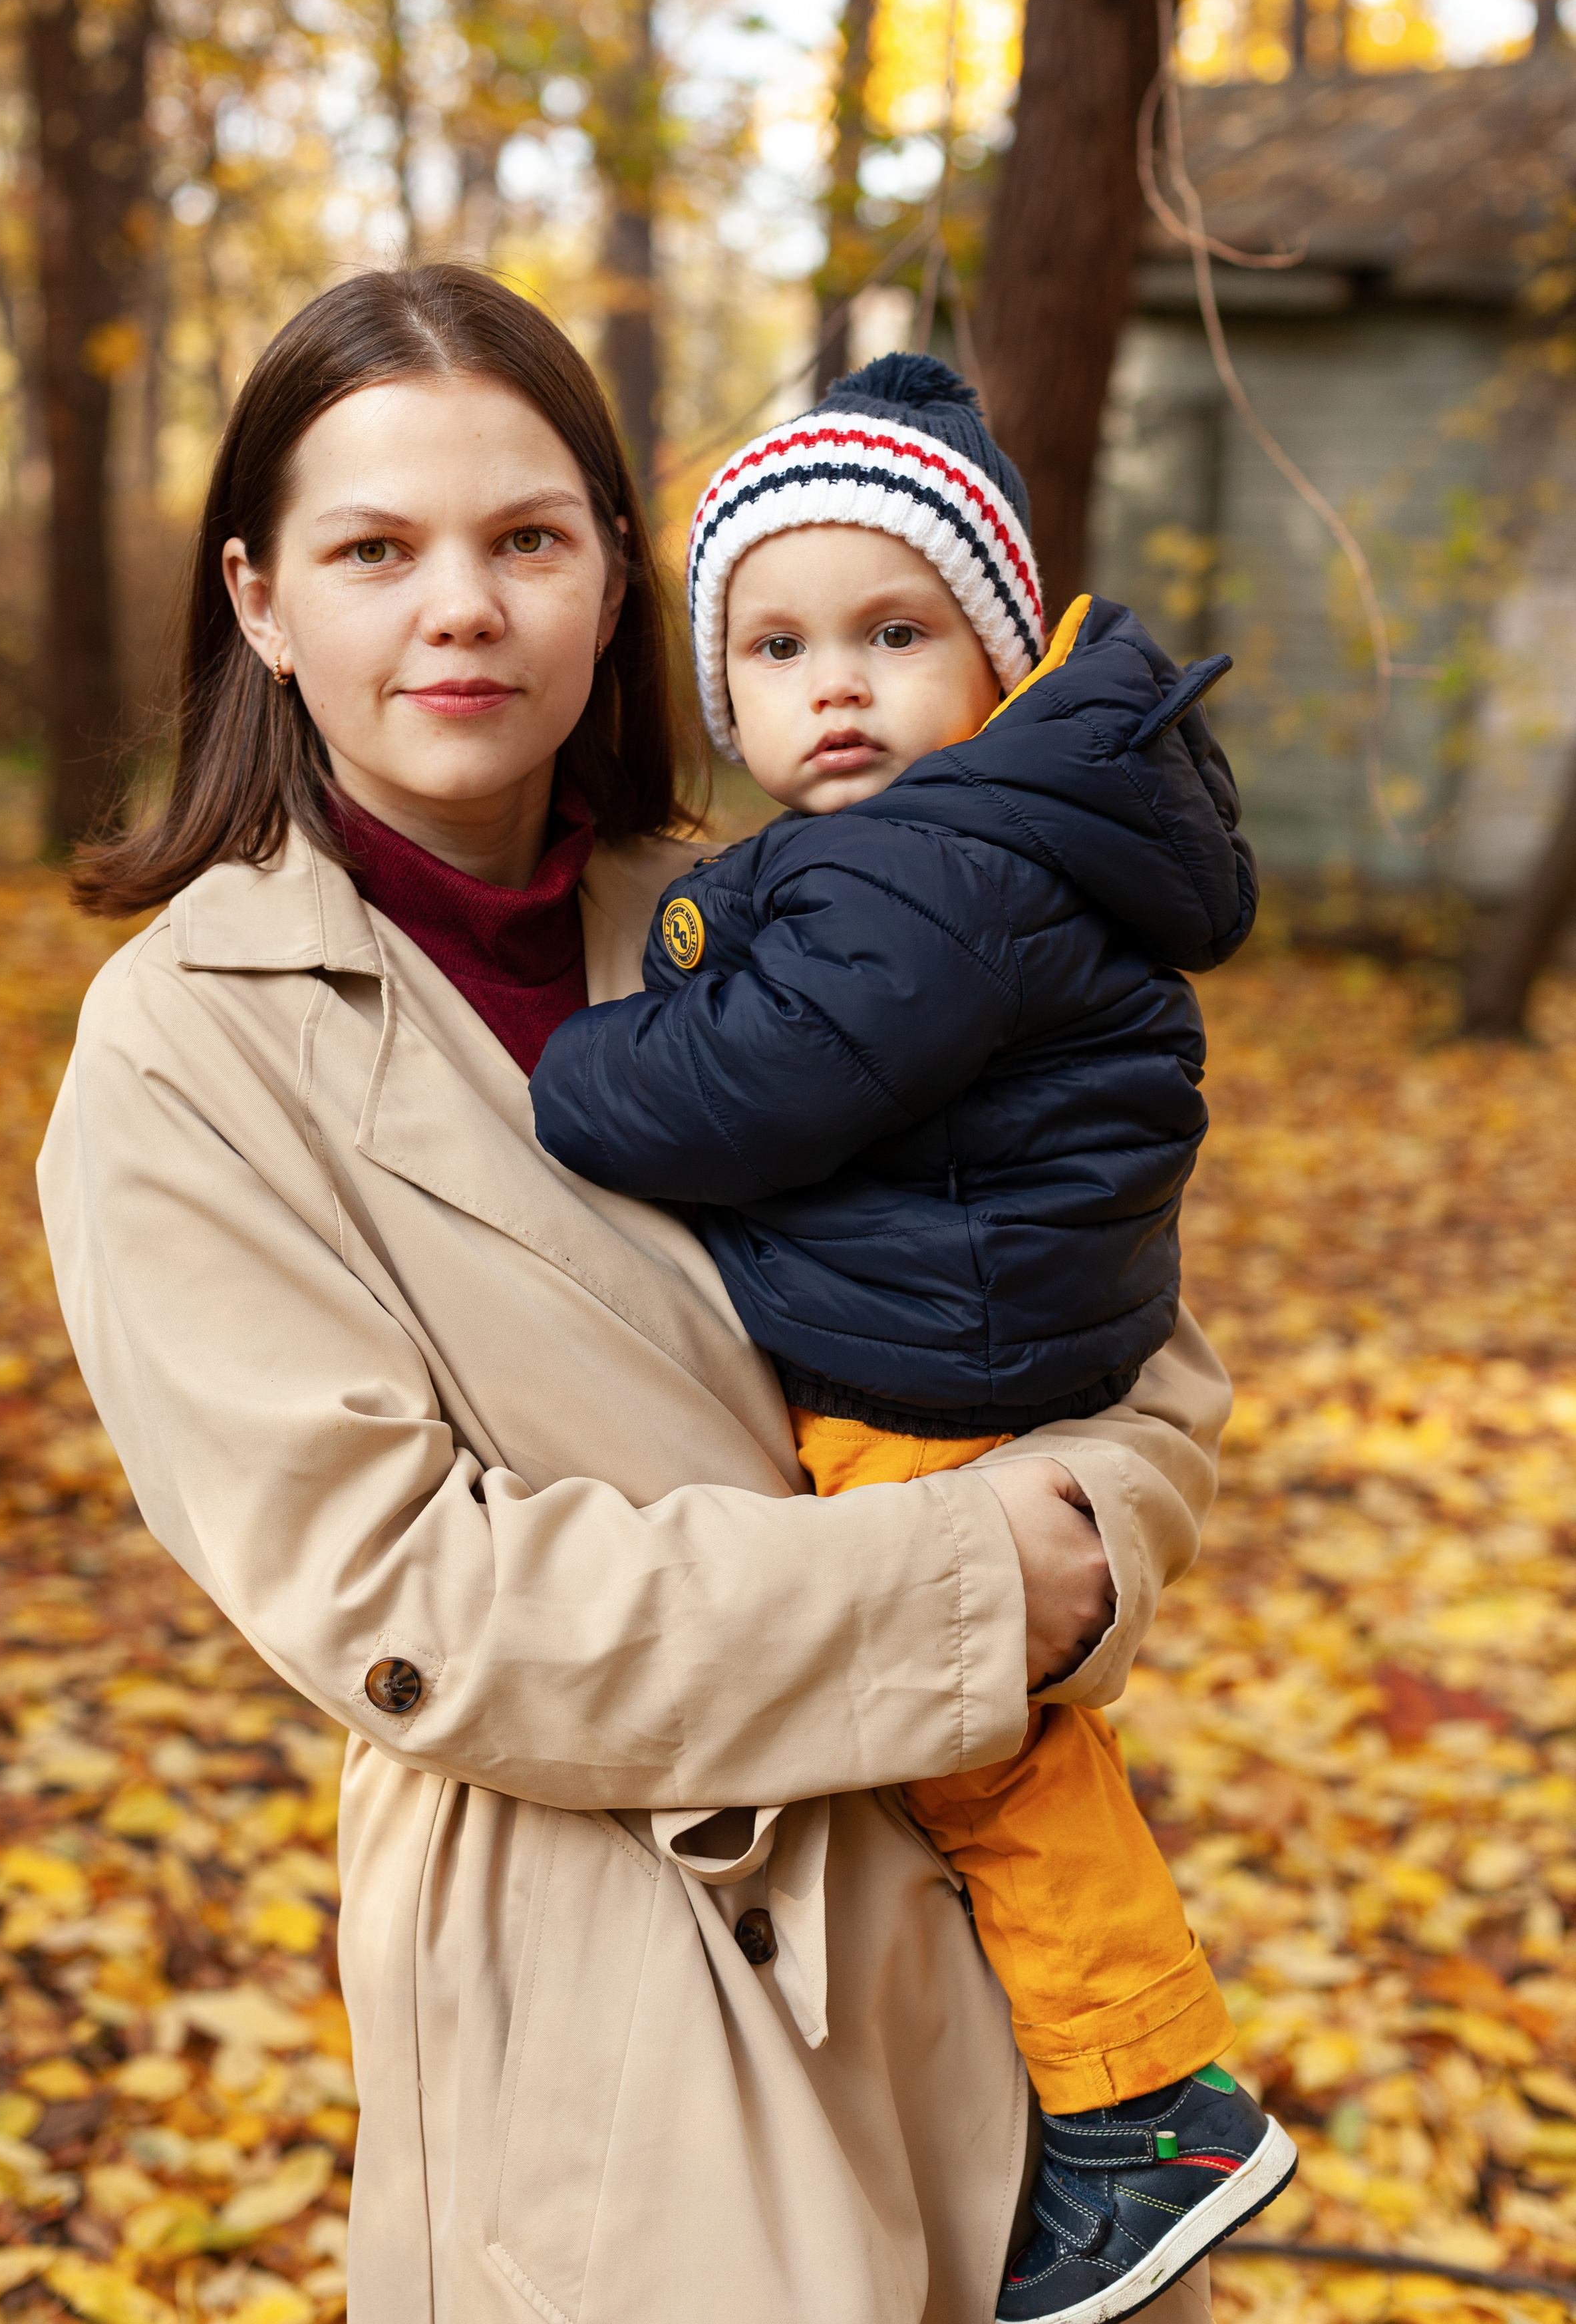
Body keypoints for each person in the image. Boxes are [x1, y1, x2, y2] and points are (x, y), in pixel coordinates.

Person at [39, 265, 1231, 2324]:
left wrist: (1101, 1539)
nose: (463, 608)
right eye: (376, 550)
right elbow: (409, 1604)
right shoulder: (183, 1050)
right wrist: (968, 1588)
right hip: (618, 1994)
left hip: (1002, 1965)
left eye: (527, 540)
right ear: (259, 600)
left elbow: (1119, 1317)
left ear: (610, 577)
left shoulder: (796, 898)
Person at [531, 355, 1295, 2324]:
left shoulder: (931, 864)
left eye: (894, 630)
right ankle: (1108, 2091)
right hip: (985, 1303)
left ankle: (1150, 2105)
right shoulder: (984, 839)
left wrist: (592, 1063)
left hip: (932, 1361)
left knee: (989, 1754)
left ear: (1001, 647)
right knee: (1011, 1746)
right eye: (777, 649)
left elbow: (766, 1088)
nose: (836, 687)